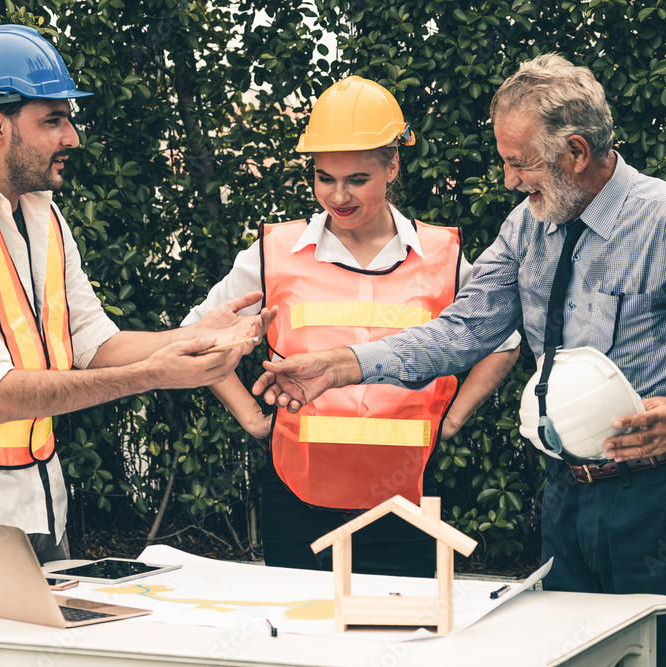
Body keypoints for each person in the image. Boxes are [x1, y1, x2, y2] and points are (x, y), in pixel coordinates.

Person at [252, 55, 666, 666]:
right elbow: (463, 330)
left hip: (664, 496)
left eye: (518, 161)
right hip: (566, 493)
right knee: (575, 657)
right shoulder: (527, 227)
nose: (507, 179)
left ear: (576, 152)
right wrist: (341, 364)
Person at [0, 25, 272, 602]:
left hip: (34, 501)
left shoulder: (43, 217)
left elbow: (92, 344)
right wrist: (154, 376)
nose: (72, 137)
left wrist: (195, 336)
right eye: (53, 119)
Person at [183, 76, 520, 577]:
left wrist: (452, 419)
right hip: (298, 496)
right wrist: (253, 418)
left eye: (357, 179)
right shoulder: (276, 252)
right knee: (300, 641)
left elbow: (503, 339)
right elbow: (197, 335)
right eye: (324, 178)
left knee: (401, 644)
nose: (337, 196)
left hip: (408, 496)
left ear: (393, 166)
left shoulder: (440, 257)